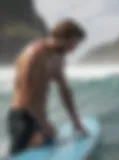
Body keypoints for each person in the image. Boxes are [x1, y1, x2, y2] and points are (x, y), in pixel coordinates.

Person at [7, 19, 87, 155]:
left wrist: (76, 122)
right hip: (22, 118)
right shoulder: (34, 54)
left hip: (39, 117)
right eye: (73, 44)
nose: (73, 50)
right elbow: (26, 93)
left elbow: (65, 92)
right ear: (62, 38)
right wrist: (43, 123)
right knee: (20, 156)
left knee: (48, 144)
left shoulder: (58, 58)